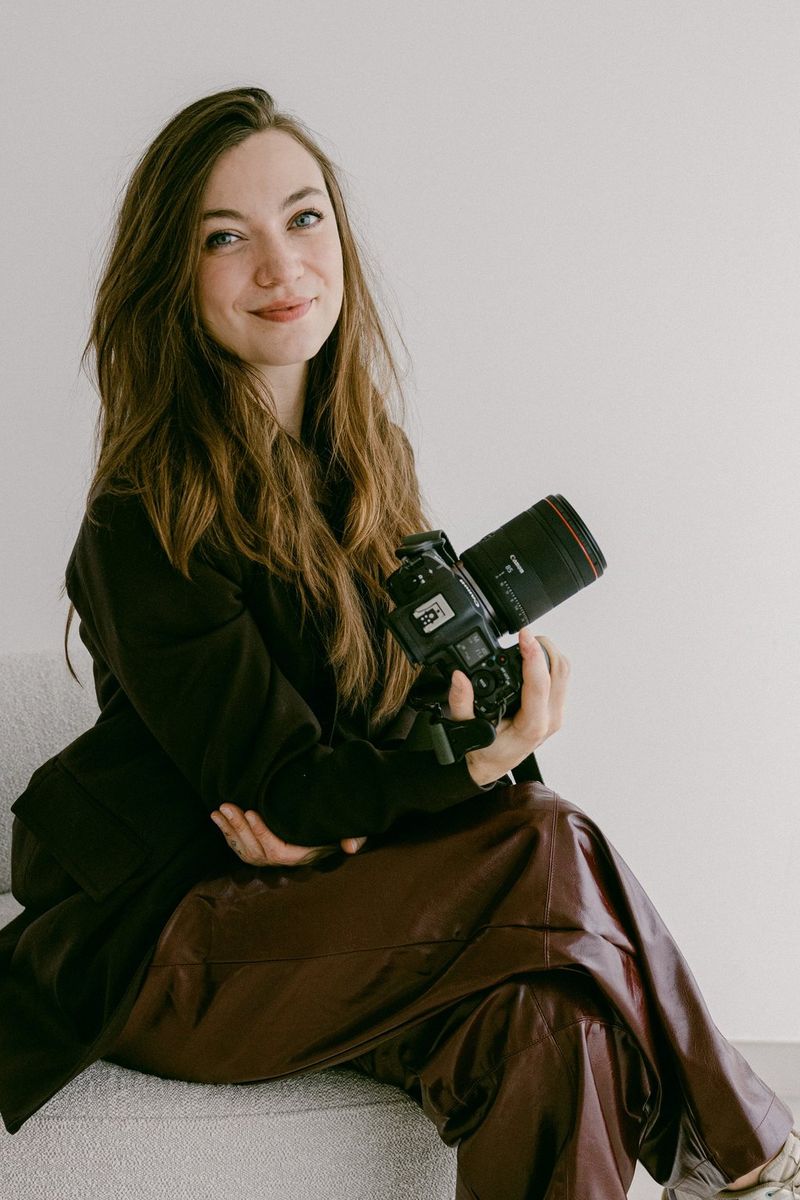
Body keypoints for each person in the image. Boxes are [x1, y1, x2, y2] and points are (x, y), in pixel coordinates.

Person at [0, 85, 796, 1200]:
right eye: (226, 238)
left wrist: (466, 743)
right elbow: (280, 789)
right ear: (172, 278)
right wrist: (420, 787)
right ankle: (750, 1156)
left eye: (303, 218)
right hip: (170, 943)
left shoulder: (364, 475)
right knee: (543, 838)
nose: (280, 265)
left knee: (547, 1020)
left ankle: (737, 1161)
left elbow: (374, 757)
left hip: (333, 914)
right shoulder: (148, 516)